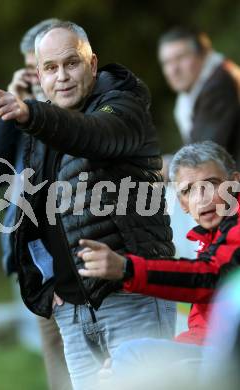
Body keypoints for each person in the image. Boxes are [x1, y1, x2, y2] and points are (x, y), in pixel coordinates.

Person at [0, 20, 176, 390]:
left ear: (92, 64)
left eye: (71, 63)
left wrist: (31, 114)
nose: (63, 77)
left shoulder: (123, 104)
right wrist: (48, 289)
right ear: (38, 75)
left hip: (130, 299)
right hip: (72, 311)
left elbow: (94, 137)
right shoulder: (41, 128)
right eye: (51, 68)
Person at [77, 141, 240, 384]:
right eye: (188, 191)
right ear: (183, 205)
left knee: (130, 359)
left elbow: (211, 276)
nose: (201, 198)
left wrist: (126, 268)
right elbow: (204, 333)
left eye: (212, 184)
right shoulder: (212, 238)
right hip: (221, 353)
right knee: (130, 363)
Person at [0, 19, 73, 390]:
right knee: (54, 353)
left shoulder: (72, 111)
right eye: (29, 67)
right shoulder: (26, 111)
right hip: (35, 261)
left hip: (69, 256)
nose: (34, 75)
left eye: (40, 64)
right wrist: (11, 111)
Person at [158, 27, 240, 172]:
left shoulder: (219, 85)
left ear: (203, 54)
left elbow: (204, 152)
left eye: (180, 58)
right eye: (166, 62)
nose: (173, 69)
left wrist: (167, 164)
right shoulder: (203, 85)